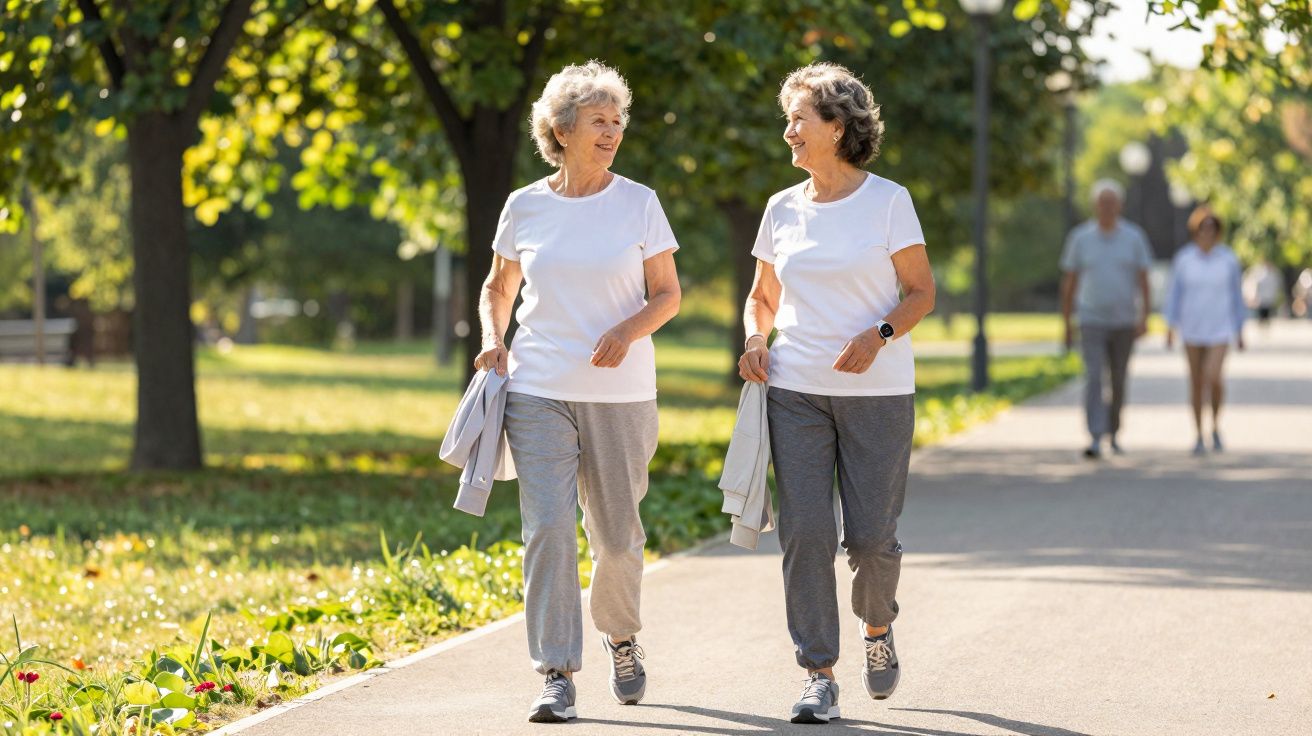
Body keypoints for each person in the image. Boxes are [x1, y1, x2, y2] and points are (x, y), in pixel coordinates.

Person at [473, 60, 681, 723]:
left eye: (618, 121)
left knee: (616, 538)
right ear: (560, 130)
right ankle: (555, 670)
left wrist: (627, 329)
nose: (613, 130)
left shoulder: (638, 202)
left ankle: (621, 636)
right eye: (598, 120)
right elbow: (499, 287)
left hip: (620, 394)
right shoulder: (525, 206)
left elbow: (668, 295)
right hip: (538, 387)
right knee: (549, 530)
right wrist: (492, 336)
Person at [738, 62, 935, 725]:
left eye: (799, 118)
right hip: (795, 390)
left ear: (838, 126)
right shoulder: (780, 209)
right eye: (788, 118)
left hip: (877, 393)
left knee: (873, 541)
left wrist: (877, 335)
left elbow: (921, 293)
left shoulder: (887, 200)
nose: (788, 130)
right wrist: (756, 338)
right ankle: (818, 672)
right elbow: (762, 298)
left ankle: (877, 629)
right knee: (806, 532)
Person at [1059, 180, 1153, 459]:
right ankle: (1095, 435)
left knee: (1119, 379)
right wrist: (1066, 322)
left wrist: (1144, 316)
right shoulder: (1080, 238)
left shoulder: (1134, 237)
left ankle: (1114, 431)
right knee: (1094, 377)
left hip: (1124, 320)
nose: (1107, 207)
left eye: (1112, 202)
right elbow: (1070, 282)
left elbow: (1144, 280)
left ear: (1120, 206)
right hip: (1090, 319)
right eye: (1103, 202)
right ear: (1095, 205)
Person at [1164, 207, 1246, 455]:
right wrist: (1170, 326)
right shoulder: (1184, 259)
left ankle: (1216, 425)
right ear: (1196, 230)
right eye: (1203, 227)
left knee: (1213, 377)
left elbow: (1236, 297)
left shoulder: (1228, 260)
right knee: (1196, 382)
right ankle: (1199, 433)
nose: (1207, 232)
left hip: (1220, 327)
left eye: (1212, 228)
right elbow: (1174, 295)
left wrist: (1240, 329)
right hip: (1192, 328)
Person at [1242, 257, 1281, 330]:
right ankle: (1262, 324)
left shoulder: (1272, 274)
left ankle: (1265, 324)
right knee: (1262, 311)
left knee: (1267, 311)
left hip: (1268, 297)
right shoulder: (1261, 273)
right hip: (1263, 297)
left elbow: (1276, 285)